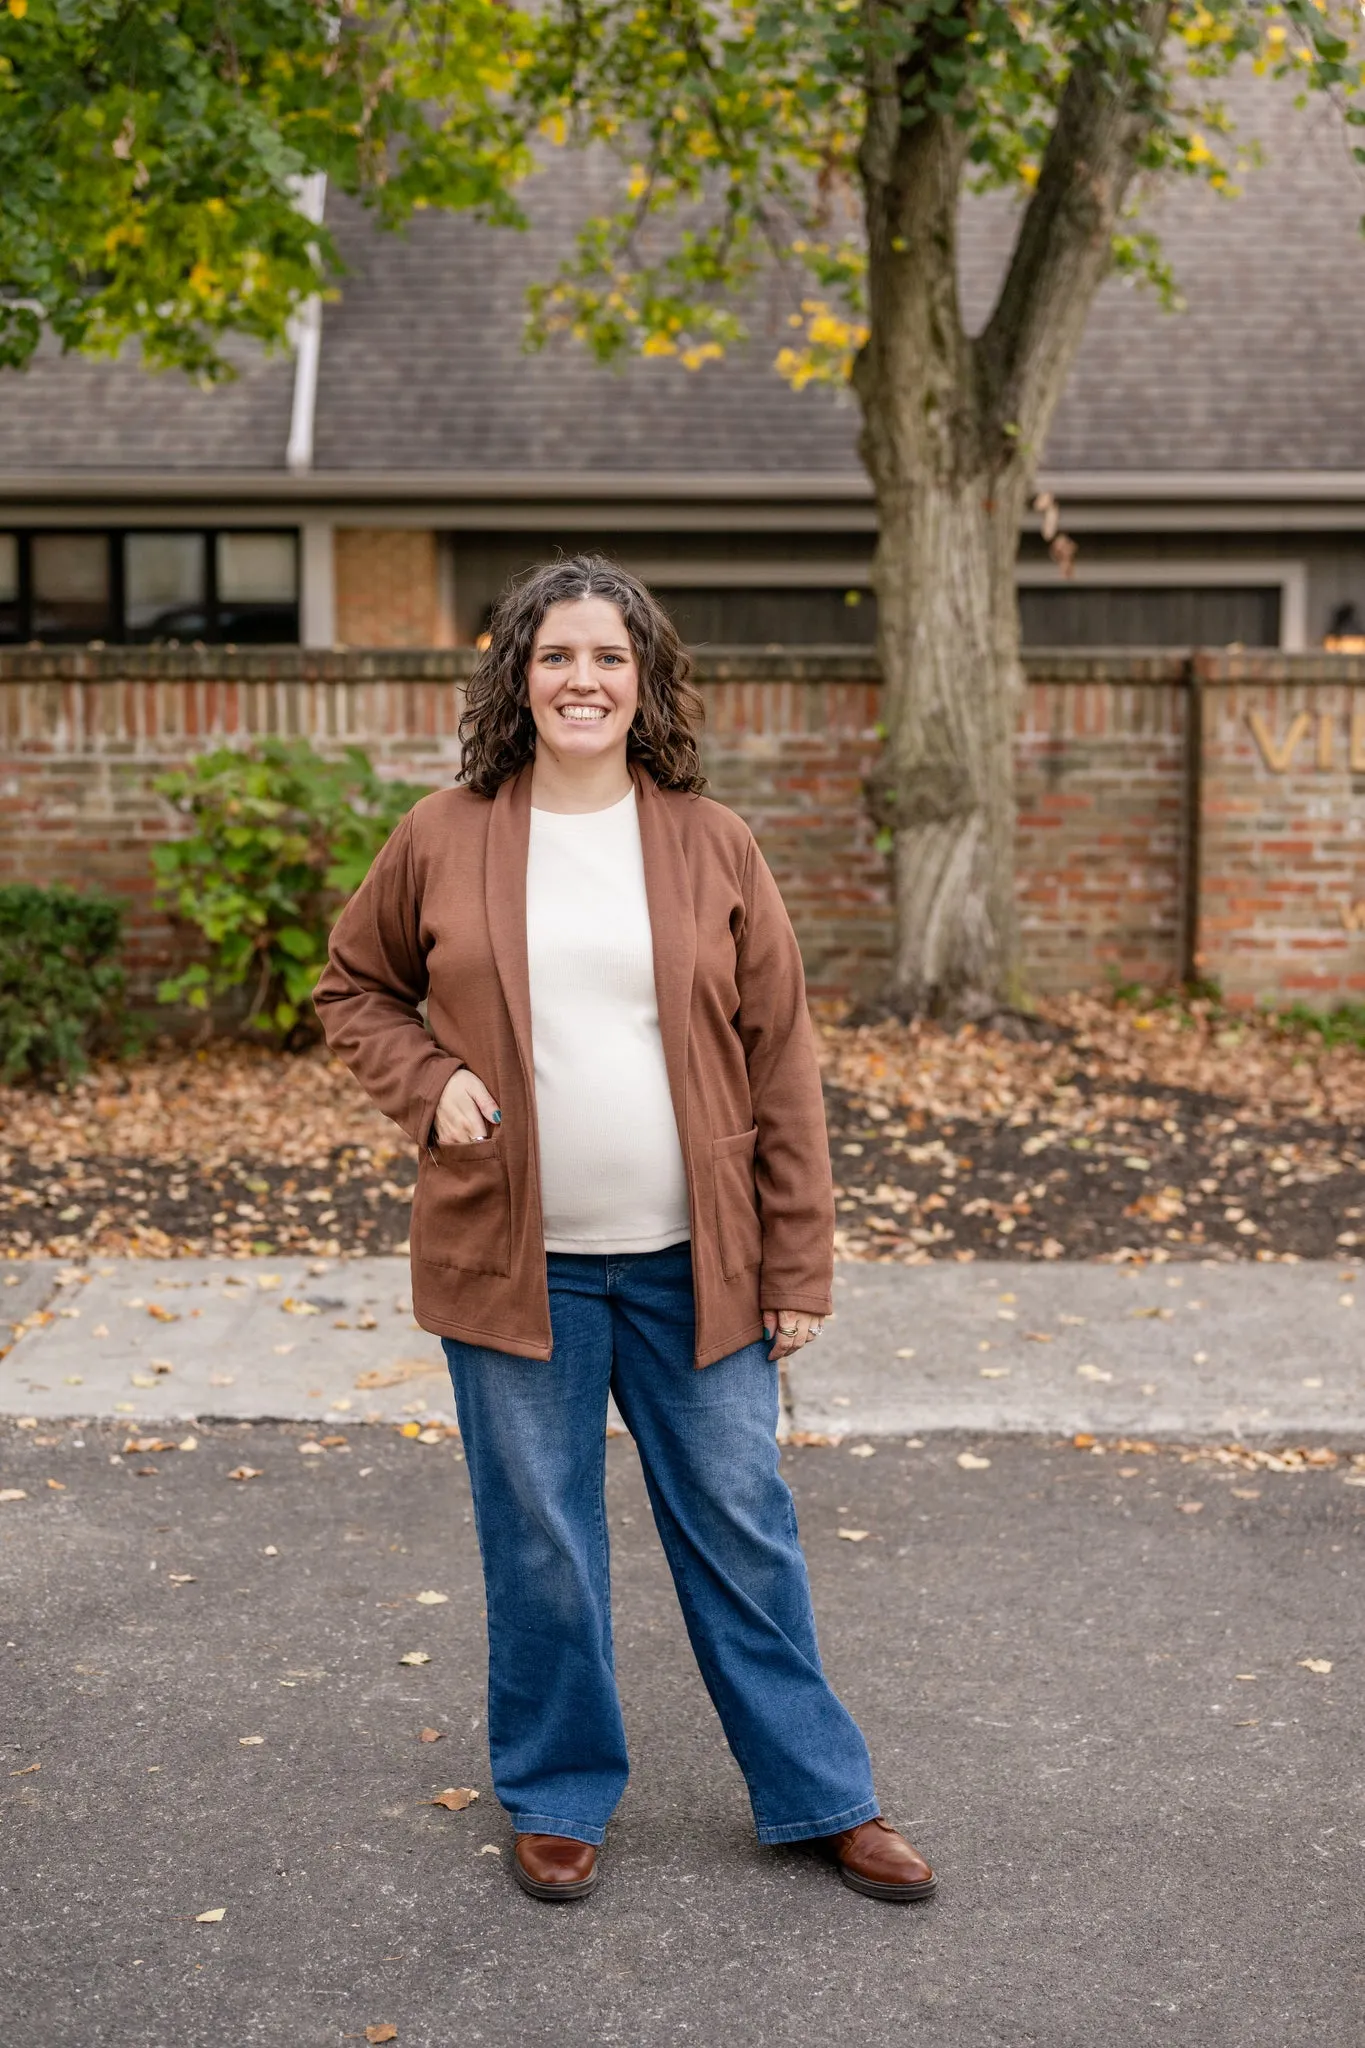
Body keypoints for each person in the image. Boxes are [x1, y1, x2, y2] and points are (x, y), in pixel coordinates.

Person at [314, 555, 936, 1906]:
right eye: (556, 657)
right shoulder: (445, 832)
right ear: (517, 679)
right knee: (542, 1539)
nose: (582, 679)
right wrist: (434, 1086)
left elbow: (782, 1061)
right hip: (510, 1264)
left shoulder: (712, 840)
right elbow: (353, 988)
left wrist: (796, 1261)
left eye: (608, 656)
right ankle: (559, 1796)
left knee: (745, 1524)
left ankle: (825, 1796)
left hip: (693, 1268)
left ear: (641, 679)